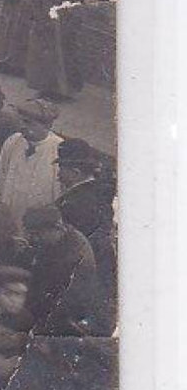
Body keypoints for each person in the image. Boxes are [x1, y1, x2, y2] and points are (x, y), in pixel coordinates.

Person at [56, 139, 117, 326]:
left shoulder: (75, 204)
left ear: (75, 173)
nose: (58, 175)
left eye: (62, 169)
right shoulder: (98, 192)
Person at [20, 204, 100, 335]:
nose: (35, 239)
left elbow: (56, 295)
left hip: (65, 318)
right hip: (54, 309)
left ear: (56, 228)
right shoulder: (61, 240)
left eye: (38, 234)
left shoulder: (73, 253)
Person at [24, 0, 88, 100]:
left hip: (66, 21)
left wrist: (73, 17)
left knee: (66, 55)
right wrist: (40, 18)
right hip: (46, 20)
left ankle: (64, 91)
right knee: (45, 56)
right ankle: (45, 89)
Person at [0, 99, 63, 218]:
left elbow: (60, 192)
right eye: (20, 121)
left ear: (47, 125)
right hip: (8, 212)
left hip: (38, 219)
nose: (22, 126)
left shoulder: (59, 149)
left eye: (28, 122)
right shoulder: (13, 141)